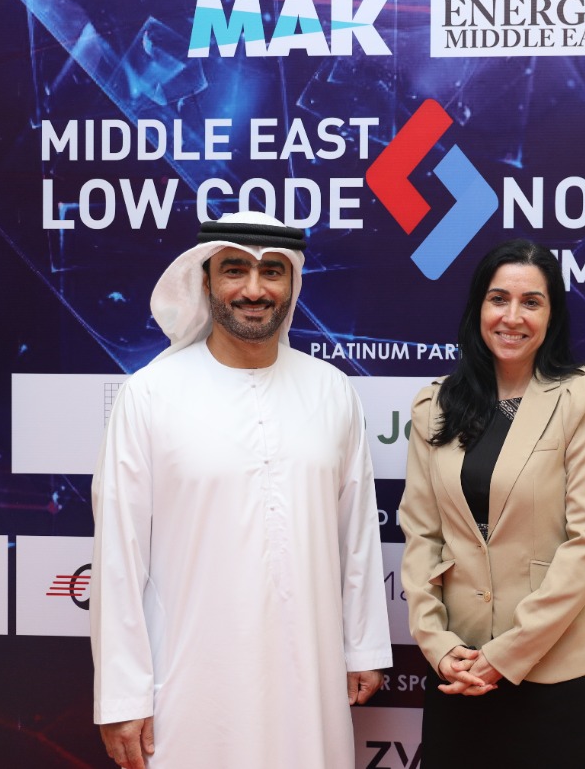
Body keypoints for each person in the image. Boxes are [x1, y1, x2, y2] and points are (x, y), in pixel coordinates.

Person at [90, 211, 393, 769]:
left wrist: (365, 646)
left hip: (310, 674)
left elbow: (357, 534)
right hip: (189, 682)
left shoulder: (331, 391)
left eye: (272, 271)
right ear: (205, 282)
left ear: (292, 283)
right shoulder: (150, 395)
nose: (254, 290)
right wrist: (122, 697)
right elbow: (118, 560)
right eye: (235, 270)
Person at [398, 239, 585, 769]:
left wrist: (505, 655)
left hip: (563, 673)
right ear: (478, 307)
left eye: (531, 302)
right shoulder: (434, 404)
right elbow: (421, 536)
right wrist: (437, 644)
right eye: (498, 299)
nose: (512, 317)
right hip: (462, 672)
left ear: (552, 315)